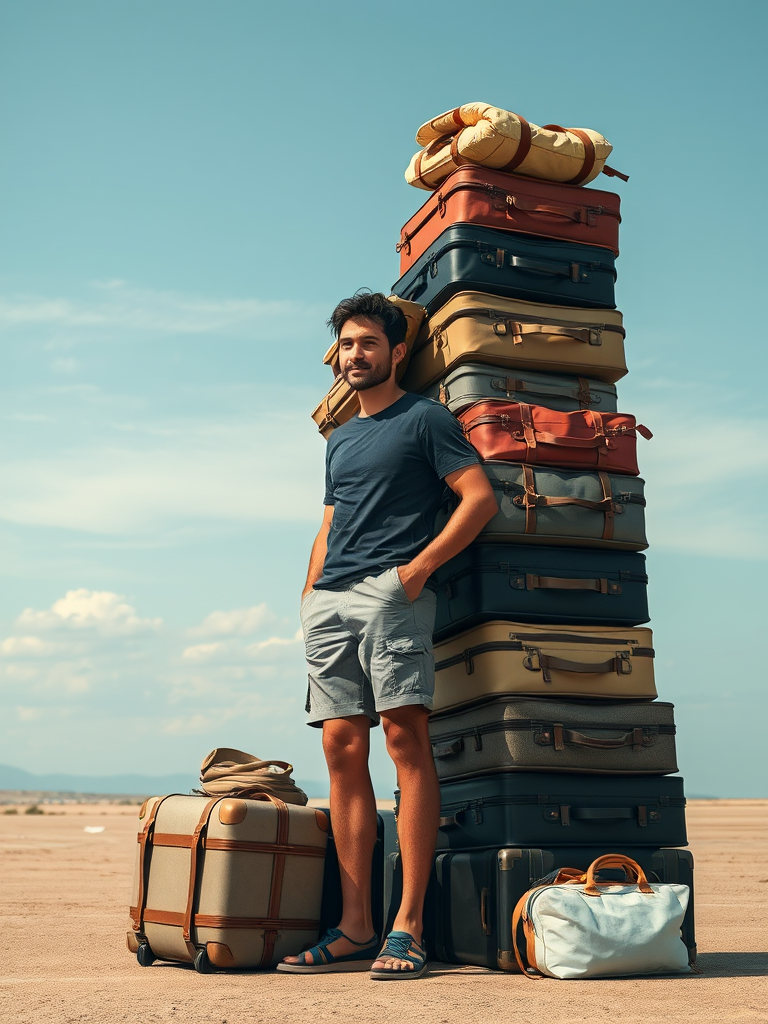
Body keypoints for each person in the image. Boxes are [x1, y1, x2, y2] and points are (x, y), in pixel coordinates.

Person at [277, 291, 498, 980]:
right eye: (346, 344)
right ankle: (353, 926)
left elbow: (479, 497)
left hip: (391, 595)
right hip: (331, 602)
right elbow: (329, 522)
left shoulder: (425, 420)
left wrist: (418, 570)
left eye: (368, 342)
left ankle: (406, 927)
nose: (355, 354)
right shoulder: (339, 438)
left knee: (404, 739)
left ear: (397, 351)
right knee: (342, 750)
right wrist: (308, 595)